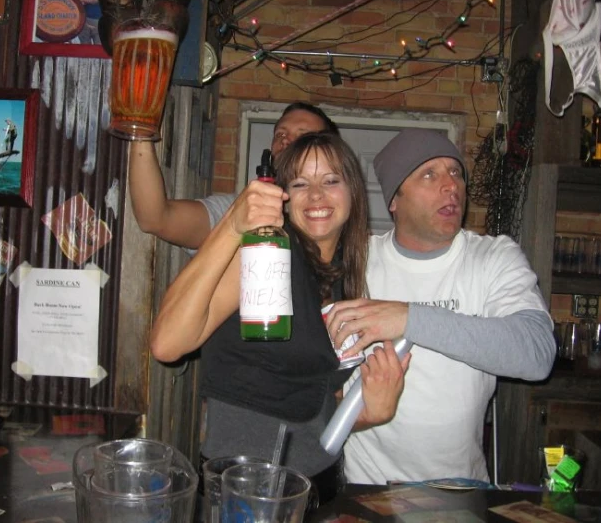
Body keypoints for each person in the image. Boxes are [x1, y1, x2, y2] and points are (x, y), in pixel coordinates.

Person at [149, 132, 410, 506]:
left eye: (331, 181)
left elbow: (315, 406)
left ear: (353, 191)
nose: (317, 195)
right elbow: (166, 343)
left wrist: (369, 411)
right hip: (246, 495)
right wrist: (233, 225)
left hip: (320, 487)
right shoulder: (263, 254)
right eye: (301, 183)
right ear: (283, 198)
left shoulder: (343, 276)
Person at [324, 128, 556, 485]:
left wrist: (409, 318)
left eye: (455, 172)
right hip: (367, 489)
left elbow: (536, 352)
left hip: (458, 491)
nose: (451, 185)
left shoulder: (492, 257)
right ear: (394, 201)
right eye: (428, 174)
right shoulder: (358, 259)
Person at [128, 102, 339, 250]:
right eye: (281, 134)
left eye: (302, 137)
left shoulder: (336, 220)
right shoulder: (239, 211)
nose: (286, 141)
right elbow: (155, 218)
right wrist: (141, 124)